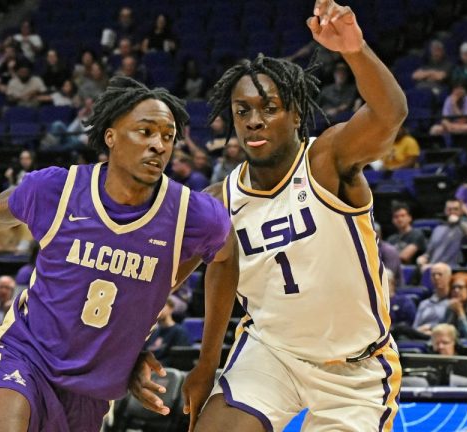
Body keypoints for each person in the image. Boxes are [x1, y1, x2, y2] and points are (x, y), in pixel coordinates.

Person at [0, 76, 230, 430]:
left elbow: (223, 260)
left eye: (167, 136)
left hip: (92, 389)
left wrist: (205, 361)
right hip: (25, 354)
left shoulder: (194, 216)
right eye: (145, 132)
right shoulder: (58, 189)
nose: (158, 144)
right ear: (110, 137)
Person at [162, 2, 408, 430]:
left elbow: (390, 115)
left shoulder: (327, 160)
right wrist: (205, 364)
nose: (254, 121)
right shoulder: (220, 198)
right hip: (272, 353)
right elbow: (202, 272)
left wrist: (355, 50)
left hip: (354, 370)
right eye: (243, 112)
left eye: (269, 108)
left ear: (295, 113)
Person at [416, 199, 467, 269]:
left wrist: (459, 222)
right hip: (433, 266)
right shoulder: (438, 229)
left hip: (453, 268)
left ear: (461, 211)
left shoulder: (465, 226)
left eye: (455, 209)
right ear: (445, 211)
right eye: (449, 209)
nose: (452, 212)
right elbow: (429, 253)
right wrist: (423, 258)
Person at [145, 298, 191, 365]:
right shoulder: (152, 333)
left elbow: (179, 358)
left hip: (166, 371)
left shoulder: (179, 332)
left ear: (171, 309)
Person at [412, 262, 452, 335]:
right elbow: (415, 327)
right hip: (421, 335)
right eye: (433, 275)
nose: (436, 277)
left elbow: (451, 326)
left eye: (440, 274)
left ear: (449, 277)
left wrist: (430, 327)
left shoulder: (453, 302)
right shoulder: (424, 303)